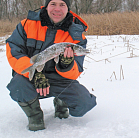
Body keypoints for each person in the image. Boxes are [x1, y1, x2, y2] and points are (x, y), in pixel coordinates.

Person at [6, 0, 96, 131]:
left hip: (60, 79)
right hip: (31, 78)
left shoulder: (76, 34)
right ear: (46, 6)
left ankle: (61, 102)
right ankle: (34, 116)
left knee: (84, 104)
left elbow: (76, 71)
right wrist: (36, 73)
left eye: (62, 4)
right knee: (18, 86)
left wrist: (66, 64)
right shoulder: (27, 24)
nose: (57, 9)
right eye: (53, 4)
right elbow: (14, 51)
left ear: (68, 8)